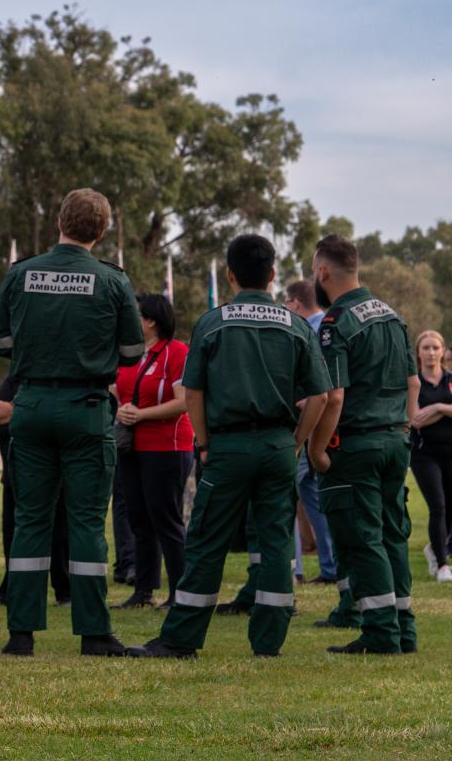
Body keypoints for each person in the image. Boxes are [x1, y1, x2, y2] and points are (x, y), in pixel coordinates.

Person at [127, 235, 330, 659]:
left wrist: (203, 443)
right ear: (273, 276)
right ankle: (268, 643)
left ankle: (181, 639)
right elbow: (322, 397)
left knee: (206, 540)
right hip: (277, 445)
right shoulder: (295, 325)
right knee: (276, 542)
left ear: (231, 275)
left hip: (227, 445)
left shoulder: (212, 323)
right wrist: (295, 441)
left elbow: (194, 391)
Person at [0, 188, 144, 657]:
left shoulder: (20, 274)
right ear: (101, 232)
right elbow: (134, 352)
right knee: (86, 524)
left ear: (59, 221)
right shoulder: (113, 281)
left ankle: (21, 633)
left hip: (31, 405)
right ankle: (94, 632)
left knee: (31, 521)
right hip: (85, 409)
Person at [307, 234, 419, 655]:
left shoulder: (337, 322)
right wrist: (404, 430)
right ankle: (403, 629)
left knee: (364, 539)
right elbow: (412, 383)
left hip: (356, 445)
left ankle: (380, 633)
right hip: (395, 441)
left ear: (322, 272)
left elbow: (333, 396)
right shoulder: (392, 315)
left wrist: (318, 449)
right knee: (393, 536)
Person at [111, 293, 194, 610]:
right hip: (133, 447)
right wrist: (122, 408)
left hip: (167, 446)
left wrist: (141, 414)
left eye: (134, 314)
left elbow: (183, 401)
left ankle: (180, 593)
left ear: (150, 321)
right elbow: (120, 389)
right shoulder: (130, 355)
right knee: (139, 519)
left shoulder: (177, 352)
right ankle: (143, 592)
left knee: (166, 519)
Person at [0, 374, 73, 607]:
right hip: (14, 475)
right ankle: (11, 588)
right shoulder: (16, 375)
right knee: (12, 532)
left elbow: (50, 417)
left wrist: (17, 409)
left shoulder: (60, 375)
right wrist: (30, 406)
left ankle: (64, 590)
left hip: (54, 474)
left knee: (59, 533)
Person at [283, 279, 339, 585]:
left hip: (308, 423)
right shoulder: (328, 324)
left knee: (284, 495)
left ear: (294, 303)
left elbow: (325, 385)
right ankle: (331, 567)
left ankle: (293, 567)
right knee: (316, 499)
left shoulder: (313, 330)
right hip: (330, 424)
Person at [409, 330, 452, 582]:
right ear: (418, 352)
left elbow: (425, 415)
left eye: (435, 347)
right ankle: (442, 565)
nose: (431, 352)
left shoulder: (449, 379)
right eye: (426, 348)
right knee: (438, 505)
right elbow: (415, 419)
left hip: (450, 451)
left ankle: (434, 548)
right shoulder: (414, 382)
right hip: (425, 455)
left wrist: (436, 407)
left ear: (443, 350)